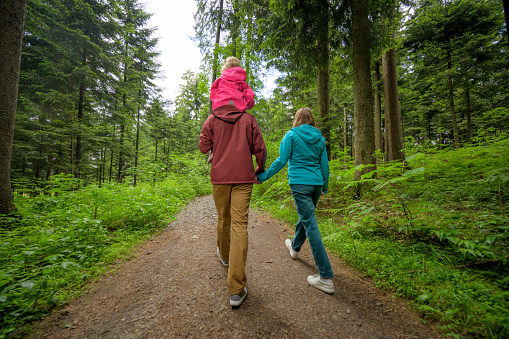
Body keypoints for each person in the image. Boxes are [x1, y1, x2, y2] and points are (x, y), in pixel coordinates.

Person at [199, 56, 266, 307]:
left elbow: (203, 147)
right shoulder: (248, 119)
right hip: (243, 179)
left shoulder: (212, 119)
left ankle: (225, 257)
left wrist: (211, 142)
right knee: (240, 225)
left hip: (219, 178)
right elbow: (260, 149)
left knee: (223, 218)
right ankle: (236, 290)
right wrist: (259, 169)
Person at [257, 107, 334, 294]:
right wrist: (324, 186)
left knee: (311, 224)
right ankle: (295, 246)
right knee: (307, 219)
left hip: (300, 184)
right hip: (315, 184)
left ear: (297, 119)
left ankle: (325, 277)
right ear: (312, 119)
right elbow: (324, 164)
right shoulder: (320, 139)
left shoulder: (291, 136)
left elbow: (281, 160)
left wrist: (262, 177)